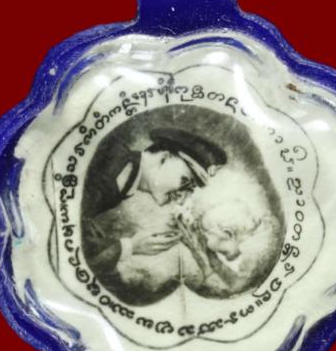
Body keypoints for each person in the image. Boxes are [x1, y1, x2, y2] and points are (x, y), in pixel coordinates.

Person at [80, 127, 226, 301]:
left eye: (190, 190)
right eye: (185, 181)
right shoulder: (103, 164)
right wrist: (131, 246)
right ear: (163, 157)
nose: (182, 197)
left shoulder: (120, 172)